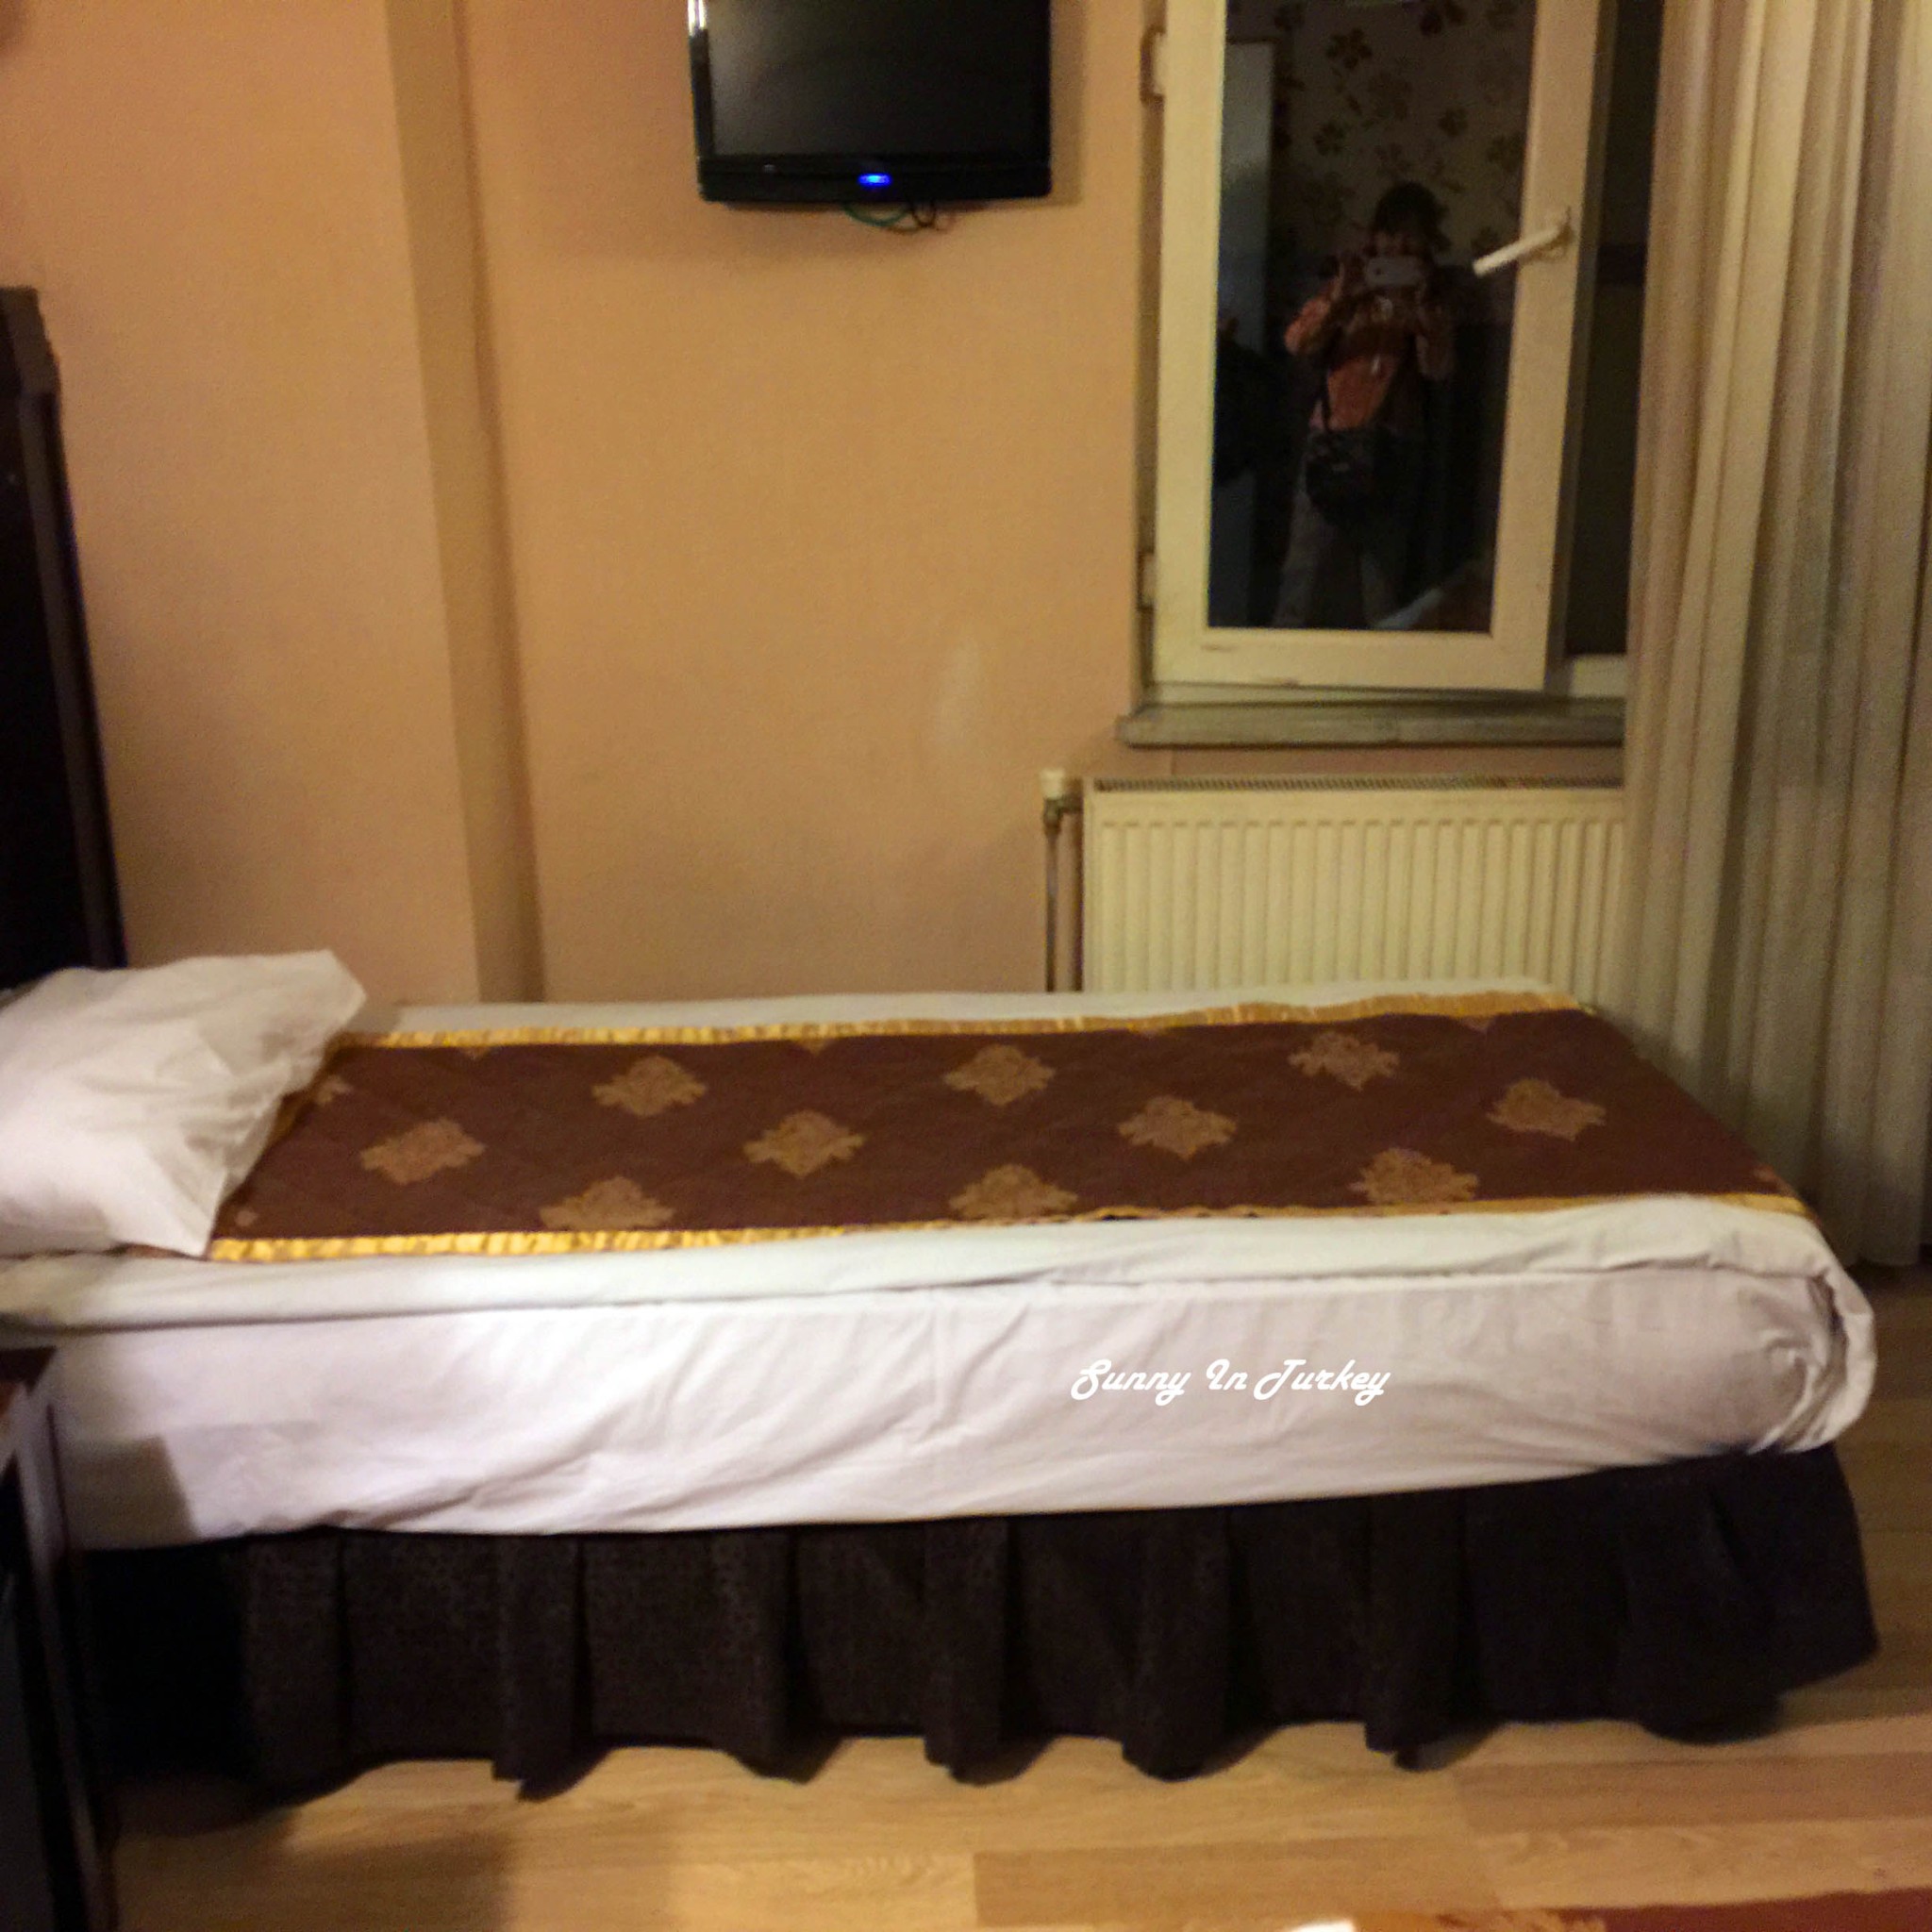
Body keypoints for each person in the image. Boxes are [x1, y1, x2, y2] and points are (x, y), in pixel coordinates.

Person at [1273, 183, 1456, 628]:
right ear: (1374, 235)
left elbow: (1437, 369)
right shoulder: (1348, 288)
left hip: (1394, 447)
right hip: (1332, 442)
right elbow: (1297, 342)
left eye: (1412, 235)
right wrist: (1342, 297)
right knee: (1304, 575)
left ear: (1427, 243)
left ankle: (1381, 661)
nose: (1399, 246)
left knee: (1381, 584)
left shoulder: (1434, 299)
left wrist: (1420, 315)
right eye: (1390, 233)